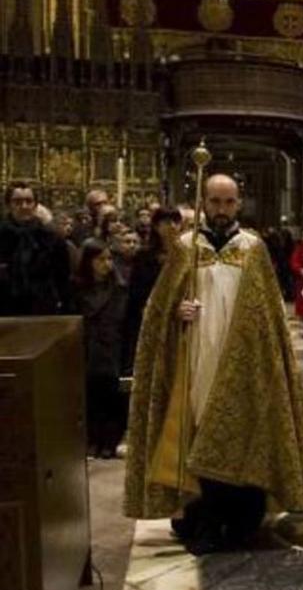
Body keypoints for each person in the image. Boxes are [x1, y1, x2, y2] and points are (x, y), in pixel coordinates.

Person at [124, 174, 303, 556]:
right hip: (197, 356)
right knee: (199, 429)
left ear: (239, 204)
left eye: (228, 202)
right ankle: (204, 519)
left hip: (243, 361)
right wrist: (175, 313)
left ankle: (243, 519)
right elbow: (156, 310)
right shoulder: (185, 248)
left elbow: (268, 314)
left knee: (241, 430)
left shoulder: (253, 248)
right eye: (214, 201)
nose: (220, 209)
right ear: (202, 201)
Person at [74, 239, 130, 458]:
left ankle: (109, 441)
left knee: (112, 397)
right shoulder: (77, 289)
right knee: (90, 397)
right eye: (101, 259)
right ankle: (92, 440)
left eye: (109, 259)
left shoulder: (120, 288)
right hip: (88, 348)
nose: (107, 264)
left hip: (112, 348)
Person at [0, 182, 73, 315]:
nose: (24, 206)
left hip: (42, 309)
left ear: (35, 204)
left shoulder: (52, 238)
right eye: (17, 202)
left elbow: (62, 277)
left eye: (29, 201)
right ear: (8, 205)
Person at [124, 207, 181, 375]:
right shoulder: (144, 256)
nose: (171, 226)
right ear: (156, 226)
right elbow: (137, 293)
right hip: (150, 316)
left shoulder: (186, 255)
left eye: (175, 222)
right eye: (166, 222)